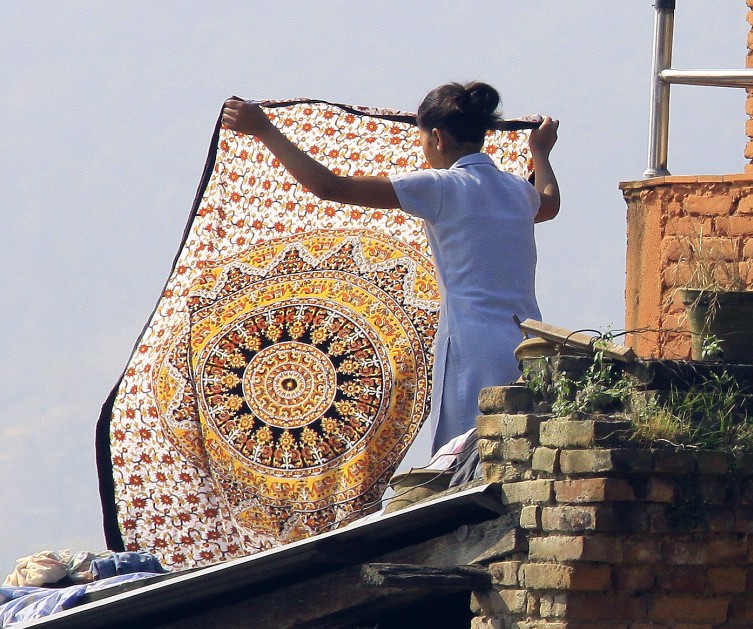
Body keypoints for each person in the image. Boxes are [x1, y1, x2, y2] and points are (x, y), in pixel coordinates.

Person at [221, 82, 560, 453]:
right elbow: (549, 204)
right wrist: (540, 154)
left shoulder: (441, 186)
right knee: (516, 454)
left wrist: (265, 131)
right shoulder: (515, 190)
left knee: (464, 460)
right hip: (527, 345)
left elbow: (331, 187)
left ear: (437, 137)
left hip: (472, 344)